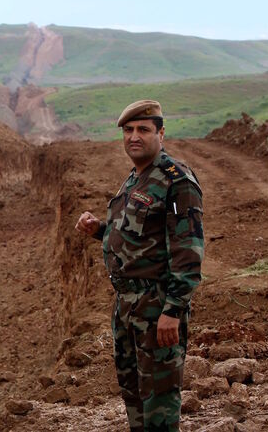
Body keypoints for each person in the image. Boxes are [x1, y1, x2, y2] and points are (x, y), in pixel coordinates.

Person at [75, 100, 204, 432]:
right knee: (134, 399)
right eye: (128, 130)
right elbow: (136, 236)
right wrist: (99, 230)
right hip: (127, 307)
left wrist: (173, 310)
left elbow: (188, 251)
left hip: (156, 306)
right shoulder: (136, 178)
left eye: (144, 130)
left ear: (161, 133)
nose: (134, 137)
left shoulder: (176, 180)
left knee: (159, 404)